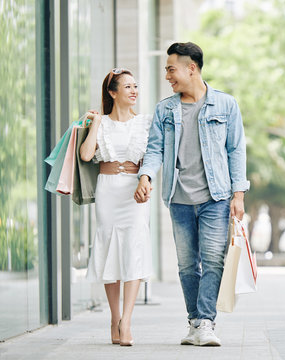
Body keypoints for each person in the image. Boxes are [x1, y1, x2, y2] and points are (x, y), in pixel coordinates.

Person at [134, 42, 250, 347]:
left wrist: (238, 195)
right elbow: (155, 148)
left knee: (213, 260)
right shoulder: (165, 109)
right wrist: (146, 175)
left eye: (171, 69)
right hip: (179, 198)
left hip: (216, 197)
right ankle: (195, 321)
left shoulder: (226, 105)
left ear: (191, 68)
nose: (168, 76)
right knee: (187, 265)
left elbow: (236, 150)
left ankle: (205, 322)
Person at [81, 68, 153, 346]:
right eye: (127, 87)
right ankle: (114, 317)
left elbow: (153, 158)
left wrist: (146, 181)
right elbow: (87, 155)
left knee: (133, 251)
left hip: (134, 194)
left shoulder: (145, 122)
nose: (134, 91)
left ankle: (127, 321)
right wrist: (96, 124)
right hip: (109, 191)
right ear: (112, 93)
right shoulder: (101, 123)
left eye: (136, 86)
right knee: (110, 250)